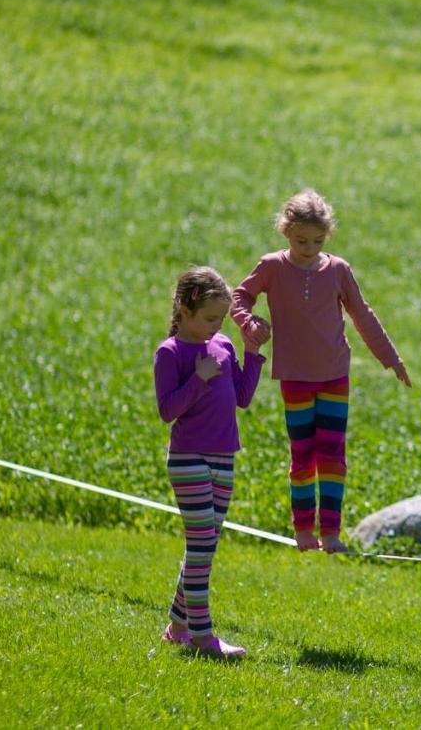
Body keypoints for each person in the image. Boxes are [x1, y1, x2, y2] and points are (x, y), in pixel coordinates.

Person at [231, 188, 411, 553]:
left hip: (334, 374)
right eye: (300, 240)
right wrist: (247, 322)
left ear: (327, 235)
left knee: (333, 455)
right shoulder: (272, 267)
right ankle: (302, 531)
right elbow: (240, 296)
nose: (309, 248)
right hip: (295, 376)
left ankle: (330, 533)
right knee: (303, 455)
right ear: (285, 231)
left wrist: (390, 358)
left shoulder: (339, 270)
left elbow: (362, 315)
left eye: (316, 240)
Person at [154, 266, 266, 658]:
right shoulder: (170, 352)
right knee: (201, 544)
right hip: (188, 459)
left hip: (224, 458)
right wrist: (198, 378)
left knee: (206, 545)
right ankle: (203, 637)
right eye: (208, 318)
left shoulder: (222, 344)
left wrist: (251, 352)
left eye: (220, 318)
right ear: (184, 309)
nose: (216, 326)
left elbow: (242, 397)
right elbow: (168, 410)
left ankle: (177, 625)